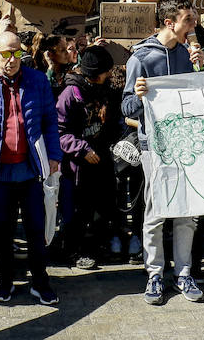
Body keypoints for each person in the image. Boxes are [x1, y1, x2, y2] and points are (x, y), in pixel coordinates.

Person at [0, 31, 63, 305]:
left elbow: (49, 122)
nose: (12, 59)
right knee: (2, 231)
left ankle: (40, 282)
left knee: (36, 229)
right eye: (6, 53)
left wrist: (54, 155)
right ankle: (5, 281)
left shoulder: (37, 81)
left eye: (17, 52)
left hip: (30, 171)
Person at [122, 0, 204, 305]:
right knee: (155, 212)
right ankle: (154, 273)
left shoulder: (185, 54)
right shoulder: (140, 58)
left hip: (185, 144)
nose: (194, 25)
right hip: (153, 146)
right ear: (170, 23)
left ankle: (183, 272)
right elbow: (126, 106)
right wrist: (140, 97)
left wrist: (199, 73)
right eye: (188, 20)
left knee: (186, 212)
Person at [56, 45, 121, 269]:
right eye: (106, 70)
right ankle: (74, 251)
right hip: (77, 167)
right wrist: (82, 148)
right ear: (95, 73)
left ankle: (97, 247)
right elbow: (59, 132)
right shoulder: (70, 95)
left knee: (101, 209)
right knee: (76, 212)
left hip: (101, 160)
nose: (110, 74)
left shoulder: (106, 89)